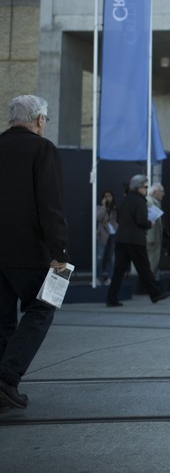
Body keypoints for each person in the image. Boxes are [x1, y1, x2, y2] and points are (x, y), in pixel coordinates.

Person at [0, 95, 69, 412]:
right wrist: (60, 252)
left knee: (3, 321)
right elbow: (50, 206)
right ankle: (7, 377)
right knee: (41, 310)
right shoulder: (42, 149)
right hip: (29, 252)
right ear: (40, 120)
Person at [106, 175, 170, 307]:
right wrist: (150, 223)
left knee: (119, 270)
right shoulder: (140, 201)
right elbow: (141, 220)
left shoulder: (124, 200)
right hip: (135, 240)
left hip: (121, 239)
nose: (146, 190)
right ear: (138, 187)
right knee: (144, 268)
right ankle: (155, 293)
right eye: (145, 187)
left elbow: (118, 219)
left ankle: (111, 298)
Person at [145, 183, 165, 283]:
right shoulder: (149, 202)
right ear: (154, 192)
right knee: (150, 261)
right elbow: (149, 220)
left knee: (153, 261)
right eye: (161, 192)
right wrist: (150, 238)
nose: (163, 194)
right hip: (151, 238)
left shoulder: (154, 202)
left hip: (155, 238)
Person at [96, 190, 117, 285]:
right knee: (99, 257)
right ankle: (98, 277)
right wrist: (104, 206)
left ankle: (110, 277)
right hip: (103, 235)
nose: (108, 198)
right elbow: (98, 217)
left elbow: (117, 220)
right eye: (106, 196)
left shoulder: (115, 209)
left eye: (109, 196)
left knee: (111, 257)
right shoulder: (99, 207)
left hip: (113, 234)